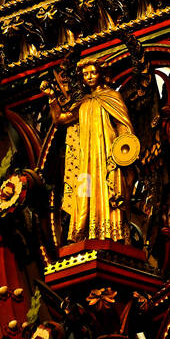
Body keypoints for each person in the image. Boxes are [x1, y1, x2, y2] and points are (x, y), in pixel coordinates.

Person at [48, 63, 137, 243]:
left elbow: (123, 125)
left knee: (107, 187)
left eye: (93, 73)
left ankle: (111, 232)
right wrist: (52, 98)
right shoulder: (84, 102)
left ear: (101, 74)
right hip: (87, 157)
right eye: (85, 74)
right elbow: (60, 119)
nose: (89, 77)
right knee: (85, 188)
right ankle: (84, 230)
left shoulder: (112, 96)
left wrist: (124, 151)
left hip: (107, 154)